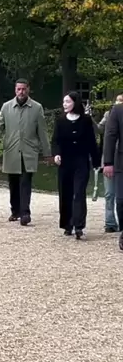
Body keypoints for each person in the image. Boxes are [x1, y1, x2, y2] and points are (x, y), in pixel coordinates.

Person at [0, 79, 51, 225]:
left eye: (23, 89)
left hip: (29, 151)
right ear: (15, 90)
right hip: (11, 151)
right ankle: (15, 210)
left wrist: (47, 153)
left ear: (28, 89)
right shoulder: (6, 107)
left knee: (25, 182)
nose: (21, 92)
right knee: (13, 183)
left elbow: (42, 131)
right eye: (18, 89)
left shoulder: (37, 108)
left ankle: (25, 213)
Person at [52, 92, 100, 239]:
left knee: (79, 192)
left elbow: (91, 141)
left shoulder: (85, 120)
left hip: (81, 160)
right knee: (65, 192)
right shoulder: (60, 121)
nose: (64, 104)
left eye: (67, 101)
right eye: (64, 102)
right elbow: (55, 140)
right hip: (65, 161)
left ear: (75, 102)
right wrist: (56, 154)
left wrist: (96, 161)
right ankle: (67, 224)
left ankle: (79, 225)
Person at [94, 95, 123, 232]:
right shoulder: (110, 114)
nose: (119, 102)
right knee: (110, 193)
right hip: (111, 158)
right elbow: (100, 130)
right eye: (118, 100)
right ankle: (110, 222)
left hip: (119, 157)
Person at [103, 100, 123, 251]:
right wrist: (108, 162)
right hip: (121, 162)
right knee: (121, 200)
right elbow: (110, 136)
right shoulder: (118, 110)